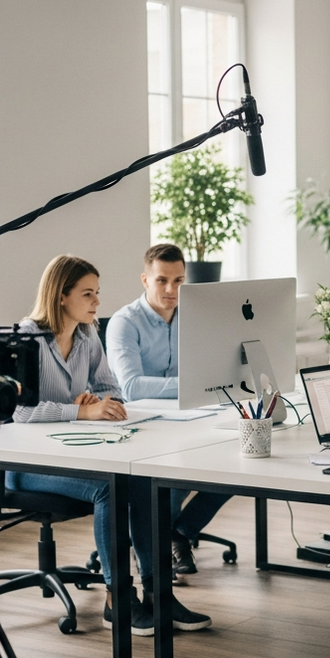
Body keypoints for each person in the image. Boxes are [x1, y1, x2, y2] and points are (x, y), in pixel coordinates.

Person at [6, 254, 211, 636]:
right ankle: (117, 597)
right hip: (27, 466)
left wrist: (93, 405)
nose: (97, 302)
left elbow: (112, 391)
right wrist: (78, 411)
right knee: (109, 489)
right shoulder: (27, 338)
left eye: (97, 293)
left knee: (140, 483)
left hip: (73, 451)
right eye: (88, 294)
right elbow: (21, 413)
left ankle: (158, 594)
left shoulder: (87, 335)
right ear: (61, 296)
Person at [105, 243, 233, 575]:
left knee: (237, 458)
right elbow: (132, 387)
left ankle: (179, 533)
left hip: (188, 417)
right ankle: (156, 550)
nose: (171, 290)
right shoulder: (124, 322)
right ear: (145, 279)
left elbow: (213, 369)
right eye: (162, 280)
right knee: (172, 475)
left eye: (178, 281)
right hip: (141, 424)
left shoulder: (192, 316)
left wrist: (210, 381)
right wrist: (193, 384)